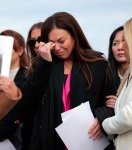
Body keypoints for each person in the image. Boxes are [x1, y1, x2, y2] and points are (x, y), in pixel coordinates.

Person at [28, 12, 116, 150]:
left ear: (75, 36)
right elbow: (29, 101)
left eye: (62, 41)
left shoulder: (97, 63)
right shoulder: (42, 65)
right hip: (49, 141)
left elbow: (111, 103)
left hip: (89, 140)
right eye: (52, 43)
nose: (57, 48)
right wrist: (43, 63)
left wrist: (101, 119)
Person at [0, 30, 29, 150]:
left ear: (20, 50)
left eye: (7, 48)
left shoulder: (27, 77)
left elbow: (10, 121)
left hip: (14, 142)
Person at [102, 18, 132, 150]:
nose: (121, 47)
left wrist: (104, 124)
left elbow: (128, 117)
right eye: (115, 43)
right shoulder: (106, 75)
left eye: (125, 40)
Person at [20, 22, 44, 150]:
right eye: (32, 42)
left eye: (40, 39)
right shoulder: (29, 72)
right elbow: (22, 104)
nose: (36, 45)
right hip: (32, 139)